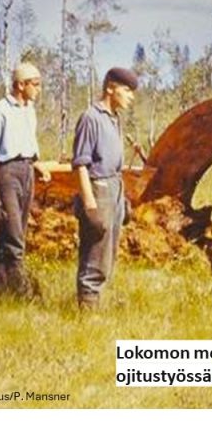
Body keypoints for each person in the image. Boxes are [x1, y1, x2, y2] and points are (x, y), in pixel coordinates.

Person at [0, 62, 51, 298]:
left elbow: (27, 145)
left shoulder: (29, 110)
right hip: (7, 173)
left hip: (27, 172)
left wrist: (37, 165)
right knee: (14, 233)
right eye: (35, 84)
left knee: (10, 231)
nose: (38, 89)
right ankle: (21, 289)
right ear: (21, 85)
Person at [71, 67, 138, 308]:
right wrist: (89, 204)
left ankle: (95, 301)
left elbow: (115, 164)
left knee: (109, 252)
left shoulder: (114, 118)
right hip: (98, 188)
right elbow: (80, 164)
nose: (131, 97)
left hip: (114, 187)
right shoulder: (91, 117)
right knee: (95, 251)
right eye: (127, 91)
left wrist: (123, 199)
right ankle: (87, 309)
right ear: (111, 88)